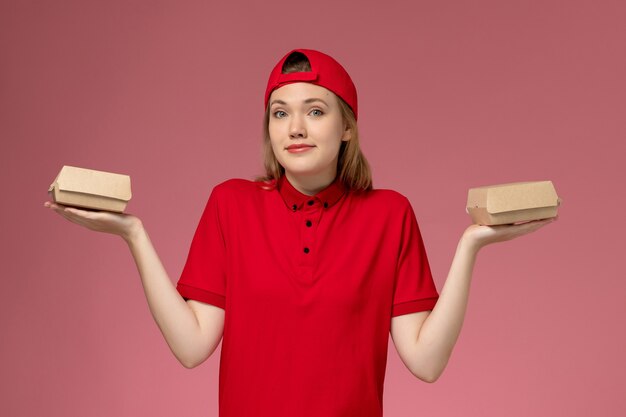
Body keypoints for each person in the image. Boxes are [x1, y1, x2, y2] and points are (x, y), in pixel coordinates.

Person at [44, 48, 557, 417]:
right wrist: (134, 235)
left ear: (347, 126)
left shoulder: (390, 215)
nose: (295, 128)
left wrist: (471, 246)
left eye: (315, 111)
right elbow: (192, 346)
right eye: (280, 113)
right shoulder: (231, 204)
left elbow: (425, 362)